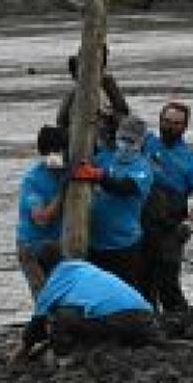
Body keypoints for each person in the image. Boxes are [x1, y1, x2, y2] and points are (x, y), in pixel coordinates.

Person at [9, 244, 159, 364]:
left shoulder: (54, 282)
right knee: (87, 312)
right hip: (145, 318)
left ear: (42, 268)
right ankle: (116, 343)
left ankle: (64, 359)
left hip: (118, 320)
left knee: (60, 316)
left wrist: (22, 350)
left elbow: (37, 324)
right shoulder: (83, 267)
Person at [141, 101, 193, 314]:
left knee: (168, 283)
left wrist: (190, 221)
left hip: (171, 228)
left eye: (176, 123)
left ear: (185, 127)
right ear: (159, 121)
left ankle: (181, 322)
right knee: (142, 283)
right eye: (166, 121)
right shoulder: (145, 143)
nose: (170, 126)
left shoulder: (190, 158)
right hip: (140, 224)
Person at [76, 115, 153, 298]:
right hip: (94, 242)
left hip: (124, 245)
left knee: (126, 292)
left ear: (140, 143)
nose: (125, 144)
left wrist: (99, 176)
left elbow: (124, 187)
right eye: (122, 139)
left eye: (131, 141)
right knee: (95, 291)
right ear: (117, 137)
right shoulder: (104, 158)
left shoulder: (142, 168)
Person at [15, 125, 70, 297]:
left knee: (64, 292)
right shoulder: (32, 179)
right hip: (32, 245)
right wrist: (63, 191)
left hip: (59, 243)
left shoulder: (70, 170)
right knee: (43, 296)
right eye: (49, 153)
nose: (54, 156)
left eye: (58, 151)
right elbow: (41, 218)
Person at [55, 46, 130, 134]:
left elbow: (124, 112)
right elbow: (62, 120)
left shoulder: (107, 83)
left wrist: (109, 117)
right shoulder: (77, 90)